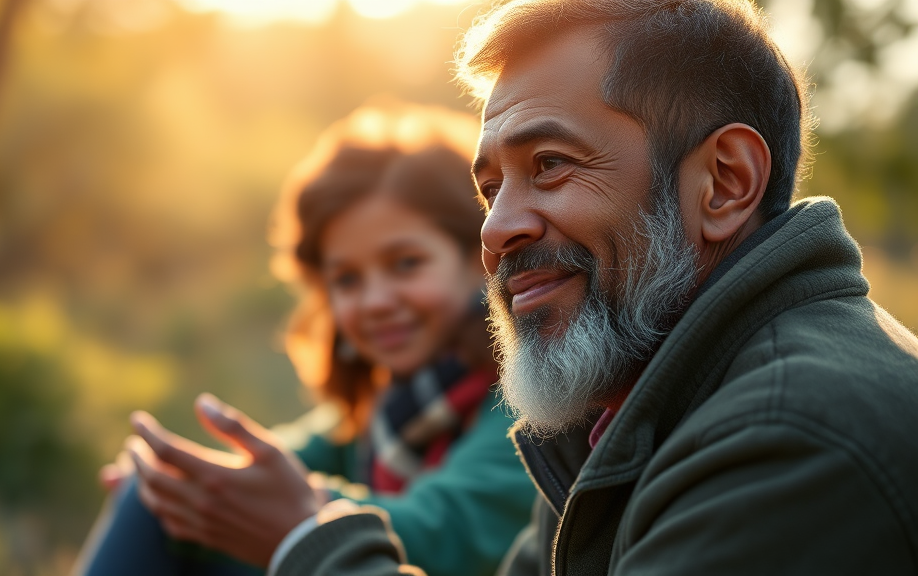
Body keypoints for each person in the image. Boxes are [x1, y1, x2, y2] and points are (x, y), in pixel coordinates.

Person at [259, 1, 918, 575]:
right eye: (490, 190)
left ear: (725, 182)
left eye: (550, 165)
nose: (494, 231)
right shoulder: (619, 412)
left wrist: (304, 543)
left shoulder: (787, 435)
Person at [72, 103, 536, 576]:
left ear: (476, 257)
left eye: (406, 263)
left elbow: (443, 534)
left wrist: (276, 507)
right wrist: (186, 482)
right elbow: (294, 454)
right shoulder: (389, 407)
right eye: (347, 279)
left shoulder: (527, 398)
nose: (375, 300)